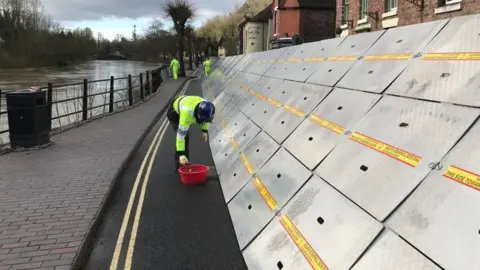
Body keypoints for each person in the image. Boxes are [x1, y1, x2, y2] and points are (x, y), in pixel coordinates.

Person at [167, 95, 216, 170]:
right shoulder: (187, 115)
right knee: (185, 138)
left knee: (185, 135)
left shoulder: (206, 106)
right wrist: (181, 154)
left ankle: (184, 162)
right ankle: (180, 163)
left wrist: (204, 131)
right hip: (174, 113)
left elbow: (205, 119)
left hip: (186, 103)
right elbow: (180, 137)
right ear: (198, 115)